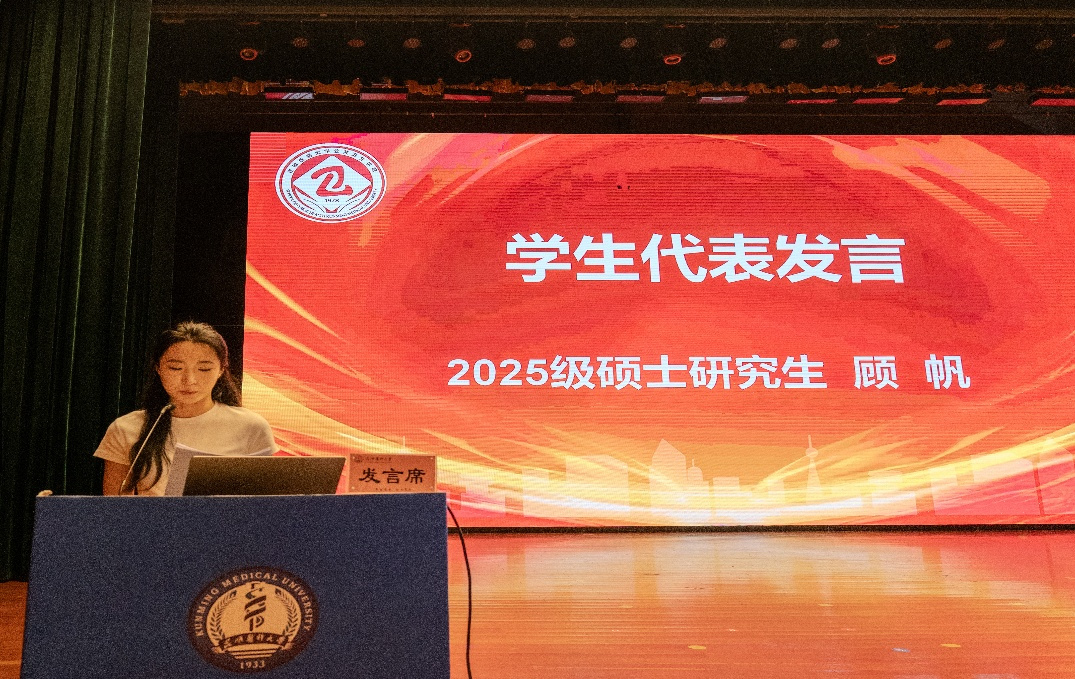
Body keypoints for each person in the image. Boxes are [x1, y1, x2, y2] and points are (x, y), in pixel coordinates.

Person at [95, 321, 277, 495]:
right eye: (176, 368)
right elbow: (116, 505)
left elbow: (266, 502)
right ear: (158, 368)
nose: (189, 380)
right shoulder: (127, 428)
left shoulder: (251, 427)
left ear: (221, 370)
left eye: (204, 369)